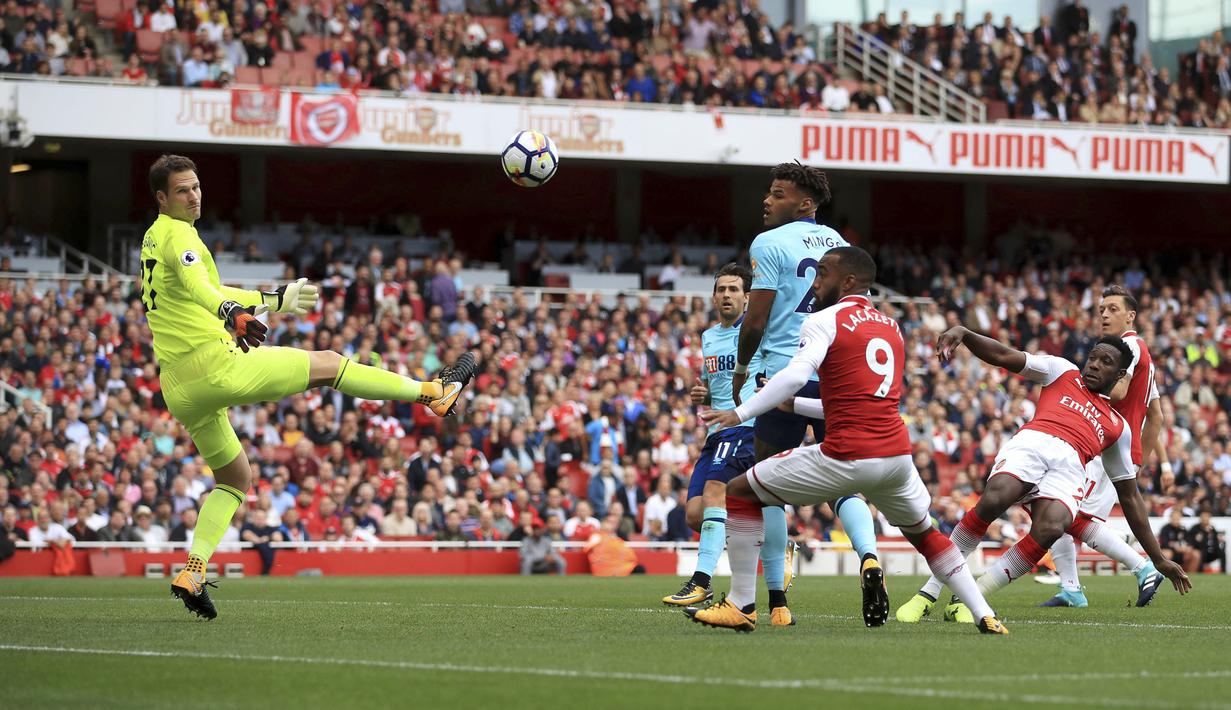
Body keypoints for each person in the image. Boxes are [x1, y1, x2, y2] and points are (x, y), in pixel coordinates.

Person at [141, 155, 479, 620]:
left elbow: (202, 294)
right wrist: (233, 313)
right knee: (330, 363)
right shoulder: (181, 236)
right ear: (162, 197)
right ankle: (432, 392)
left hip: (178, 385)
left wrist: (270, 301)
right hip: (213, 366)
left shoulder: (154, 236)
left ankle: (193, 570)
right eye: (182, 190)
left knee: (236, 479)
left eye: (196, 186)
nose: (194, 195)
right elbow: (203, 288)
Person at [696, 247, 1006, 634]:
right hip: (895, 458)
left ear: (847, 281)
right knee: (926, 534)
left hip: (846, 455)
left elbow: (793, 375)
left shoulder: (823, 321)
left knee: (740, 492)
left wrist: (739, 413)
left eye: (822, 273)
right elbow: (852, 402)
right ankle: (984, 614)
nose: (814, 283)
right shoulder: (890, 327)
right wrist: (796, 406)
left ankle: (741, 604)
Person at [895, 323, 1190, 624]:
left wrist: (1158, 558)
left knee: (1053, 526)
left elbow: (1130, 497)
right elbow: (1004, 355)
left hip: (1072, 466)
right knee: (995, 499)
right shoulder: (1061, 371)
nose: (1095, 365)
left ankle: (973, 596)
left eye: (1106, 362)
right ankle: (927, 594)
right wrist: (966, 334)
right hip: (1034, 442)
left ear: (1118, 376)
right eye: (1093, 357)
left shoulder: (1118, 428)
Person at [729, 161, 881, 625]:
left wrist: (740, 368)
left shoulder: (768, 243)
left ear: (805, 202)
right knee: (845, 477)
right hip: (833, 370)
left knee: (763, 486)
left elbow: (755, 320)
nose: (767, 200)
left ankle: (775, 603)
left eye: (777, 193)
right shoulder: (837, 242)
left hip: (783, 373)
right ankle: (870, 556)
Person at [662, 264, 779, 618]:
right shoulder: (709, 336)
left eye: (733, 289)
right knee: (695, 514)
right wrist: (703, 394)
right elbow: (713, 384)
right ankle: (772, 538)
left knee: (716, 491)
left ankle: (700, 580)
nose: (726, 295)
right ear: (713, 297)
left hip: (746, 427)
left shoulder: (760, 332)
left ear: (747, 297)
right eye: (721, 289)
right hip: (716, 430)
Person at [1040, 285, 1169, 608]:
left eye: (1113, 309)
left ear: (1131, 315)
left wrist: (1076, 391)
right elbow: (1156, 416)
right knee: (1062, 513)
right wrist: (1139, 462)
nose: (1105, 315)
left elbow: (1121, 395)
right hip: (1114, 452)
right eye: (1102, 310)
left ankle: (1144, 567)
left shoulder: (1128, 346)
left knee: (1070, 515)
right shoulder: (1143, 356)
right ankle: (1071, 588)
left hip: (1104, 446)